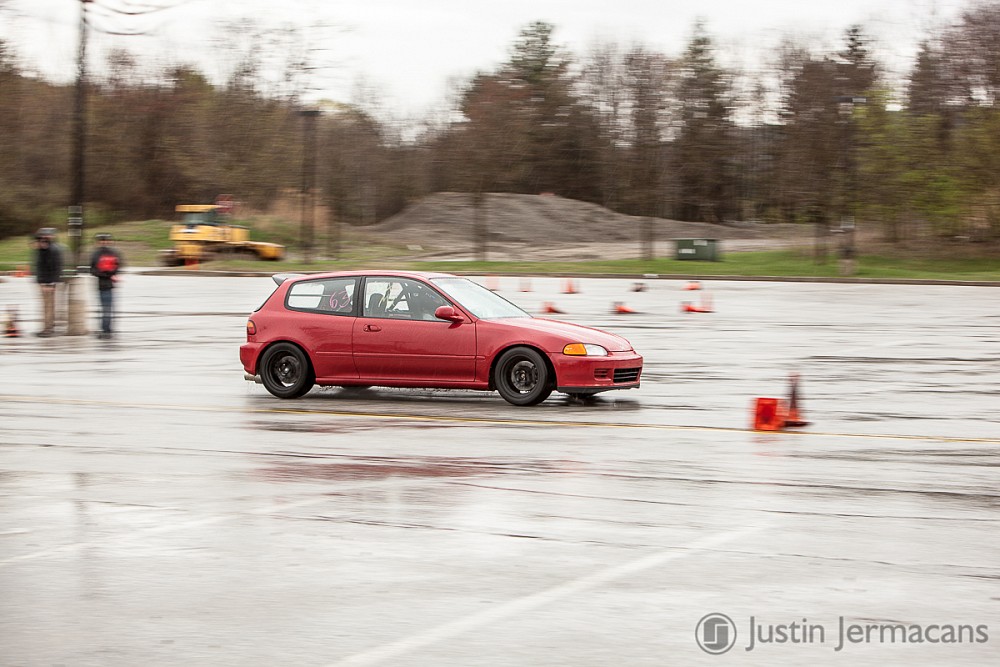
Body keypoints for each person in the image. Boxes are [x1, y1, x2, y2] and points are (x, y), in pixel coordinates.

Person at [89, 233, 124, 339]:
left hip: (106, 284)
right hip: (103, 283)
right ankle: (106, 329)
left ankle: (106, 329)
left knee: (106, 307)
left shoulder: (102, 253)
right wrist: (108, 274)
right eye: (102, 241)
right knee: (106, 307)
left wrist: (106, 273)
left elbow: (117, 266)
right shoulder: (104, 253)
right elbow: (93, 269)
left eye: (105, 241)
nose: (104, 243)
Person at [32, 227, 63, 337]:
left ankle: (48, 329)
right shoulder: (44, 250)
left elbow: (53, 267)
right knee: (47, 306)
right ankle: (48, 327)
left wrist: (49, 283)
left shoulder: (50, 250)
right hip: (45, 282)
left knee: (48, 306)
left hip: (48, 283)